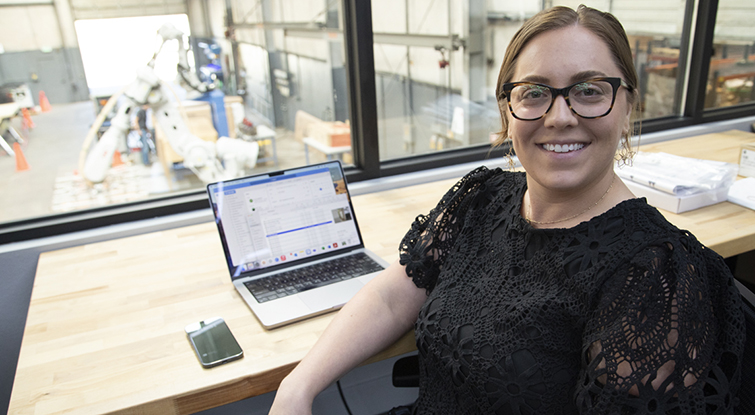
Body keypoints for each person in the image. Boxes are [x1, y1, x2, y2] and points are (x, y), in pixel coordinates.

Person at [269, 5, 744, 414]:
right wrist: (297, 387)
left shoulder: (652, 274)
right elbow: (392, 296)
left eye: (589, 90)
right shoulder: (483, 199)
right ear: (507, 112)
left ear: (627, 109)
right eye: (534, 92)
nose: (559, 116)